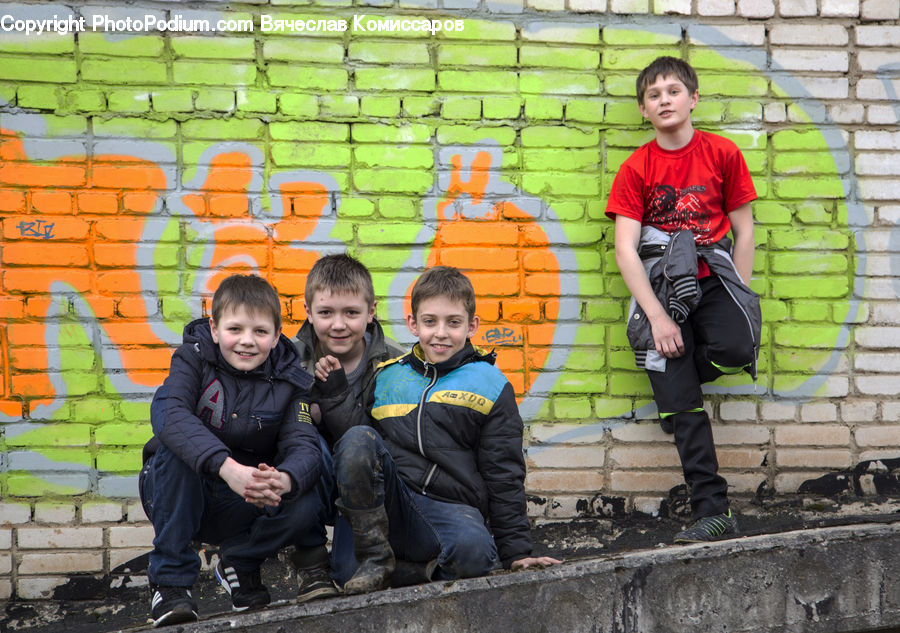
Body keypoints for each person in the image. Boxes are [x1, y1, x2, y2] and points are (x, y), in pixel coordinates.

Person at [321, 265, 560, 595]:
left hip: (447, 507)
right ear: (413, 324)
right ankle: (377, 558)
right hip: (388, 501)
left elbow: (503, 472)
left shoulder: (490, 384)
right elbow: (360, 447)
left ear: (471, 325)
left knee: (476, 557)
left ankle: (412, 570)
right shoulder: (388, 375)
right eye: (430, 321)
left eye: (453, 322)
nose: (441, 333)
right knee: (346, 571)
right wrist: (334, 393)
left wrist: (517, 553)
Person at [605, 56, 761, 543]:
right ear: (643, 110)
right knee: (683, 406)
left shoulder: (722, 153)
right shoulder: (637, 168)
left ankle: (677, 380)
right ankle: (713, 509)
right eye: (654, 95)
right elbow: (625, 248)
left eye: (673, 91)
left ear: (692, 99)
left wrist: (740, 291)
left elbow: (745, 229)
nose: (664, 100)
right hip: (660, 289)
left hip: (713, 277)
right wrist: (656, 317)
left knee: (737, 349)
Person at [139, 274, 329, 627]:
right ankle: (171, 585)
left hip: (246, 500)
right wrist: (227, 468)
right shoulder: (191, 359)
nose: (247, 341)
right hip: (177, 490)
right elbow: (170, 416)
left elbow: (303, 444)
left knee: (307, 491)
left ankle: (240, 561)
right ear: (214, 328)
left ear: (276, 336)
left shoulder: (291, 381)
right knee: (175, 449)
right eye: (235, 329)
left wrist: (283, 480)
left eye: (259, 331)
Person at [292, 253, 405, 589]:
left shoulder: (394, 362)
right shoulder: (290, 360)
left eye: (351, 313)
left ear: (370, 313)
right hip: (313, 482)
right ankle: (309, 563)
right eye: (326, 312)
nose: (338, 324)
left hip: (370, 487)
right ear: (308, 312)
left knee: (346, 574)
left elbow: (397, 440)